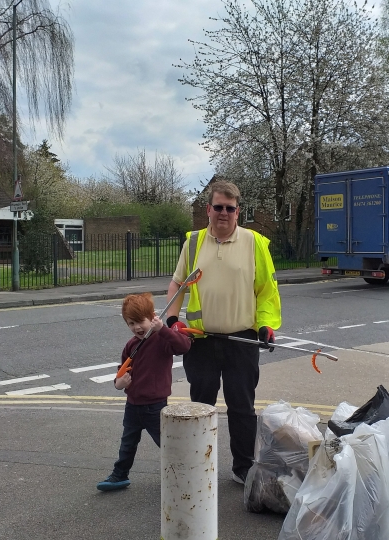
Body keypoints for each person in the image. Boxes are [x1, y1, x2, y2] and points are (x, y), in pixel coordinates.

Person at [165, 180, 282, 485]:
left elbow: (267, 292)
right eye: (218, 207)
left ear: (237, 211)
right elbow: (178, 283)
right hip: (200, 341)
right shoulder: (193, 243)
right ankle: (197, 466)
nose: (224, 213)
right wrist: (173, 320)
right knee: (200, 407)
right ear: (208, 209)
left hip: (240, 340)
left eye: (230, 208)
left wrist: (266, 325)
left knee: (242, 408)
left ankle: (243, 468)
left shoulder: (254, 243)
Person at [96, 292, 192, 492]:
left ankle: (183, 475)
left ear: (152, 317)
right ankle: (119, 475)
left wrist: (163, 329)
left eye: (141, 321)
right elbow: (121, 371)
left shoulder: (161, 340)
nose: (137, 328)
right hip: (132, 404)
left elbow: (183, 346)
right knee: (127, 443)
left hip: (154, 406)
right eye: (131, 323)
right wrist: (118, 383)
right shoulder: (131, 345)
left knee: (167, 444)